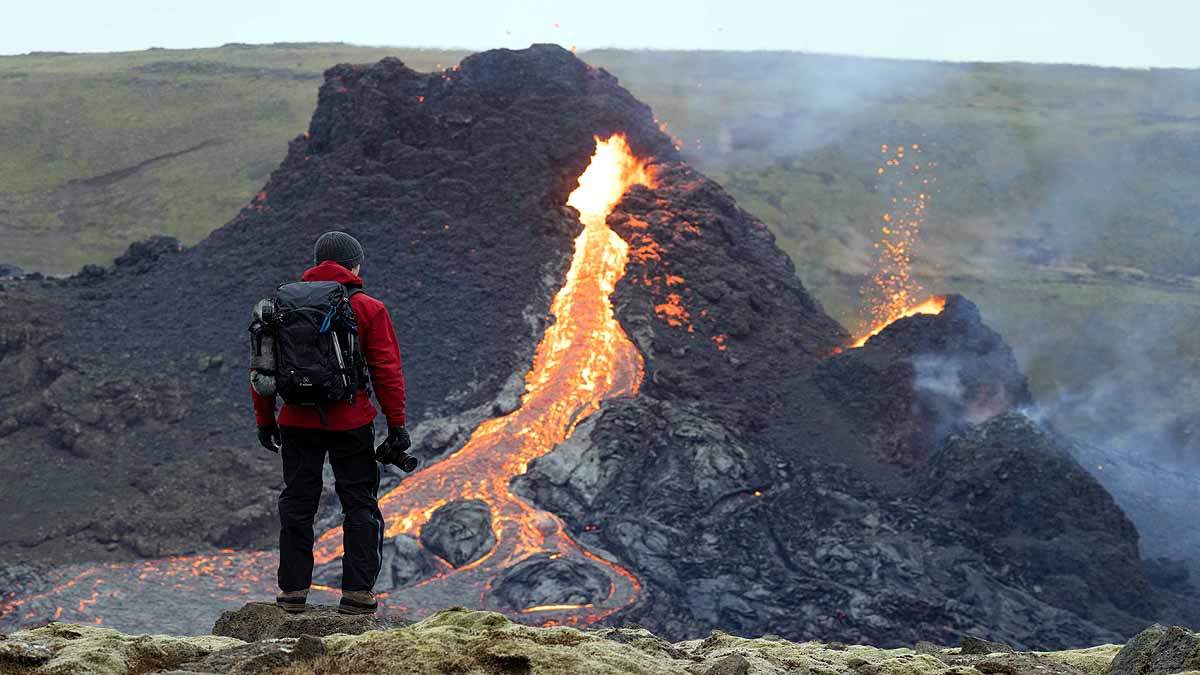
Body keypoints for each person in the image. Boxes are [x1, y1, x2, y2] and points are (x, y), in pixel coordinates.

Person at [250, 231, 410, 616]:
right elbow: (386, 370)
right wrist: (397, 424)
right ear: (354, 265)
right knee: (359, 504)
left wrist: (265, 419)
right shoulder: (368, 307)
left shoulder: (278, 305)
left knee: (298, 502)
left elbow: (260, 367)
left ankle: (292, 592)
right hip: (350, 421)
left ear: (317, 263)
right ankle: (357, 593)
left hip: (296, 420)